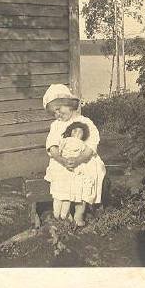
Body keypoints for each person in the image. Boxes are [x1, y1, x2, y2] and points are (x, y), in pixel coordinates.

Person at [42, 84, 106, 226]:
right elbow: (52, 146)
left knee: (86, 173)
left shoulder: (85, 122)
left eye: (58, 109)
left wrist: (79, 159)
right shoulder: (56, 126)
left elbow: (91, 146)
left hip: (83, 158)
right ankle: (64, 211)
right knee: (60, 173)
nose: (57, 114)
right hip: (63, 160)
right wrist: (61, 159)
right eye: (54, 113)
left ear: (69, 104)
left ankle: (79, 213)